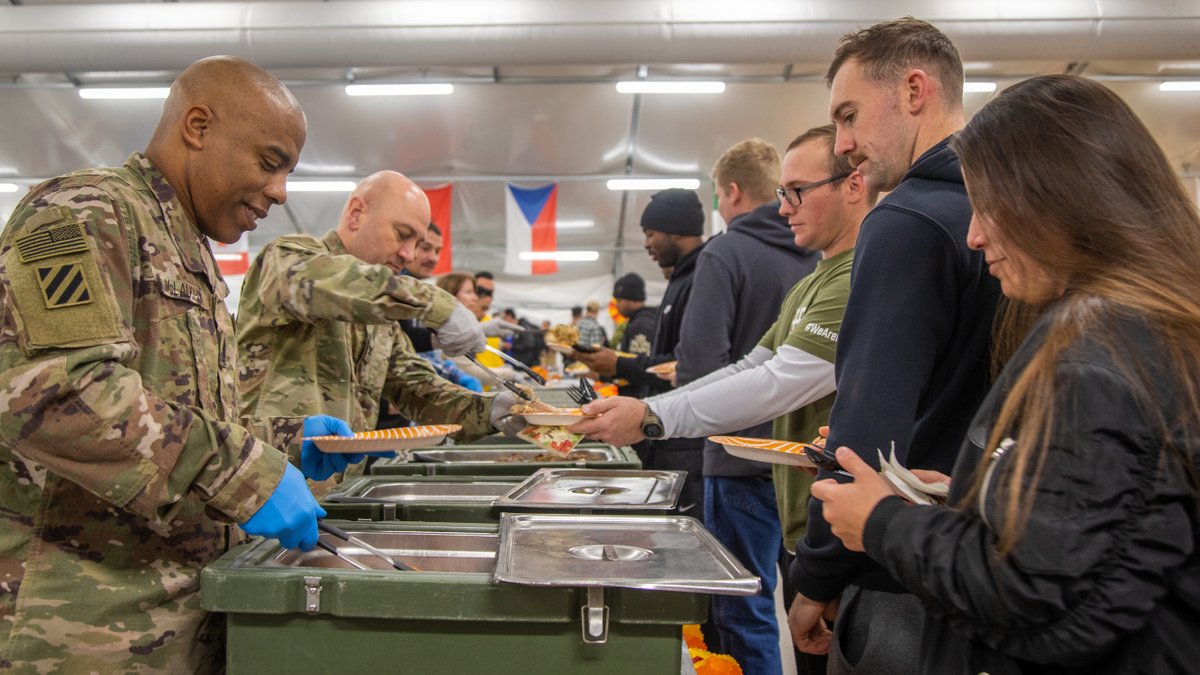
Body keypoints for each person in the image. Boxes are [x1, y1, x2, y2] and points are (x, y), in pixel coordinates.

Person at [815, 74, 1200, 675]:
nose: (974, 234)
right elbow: (1101, 532)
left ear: (1056, 197)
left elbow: (1040, 597)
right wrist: (964, 497)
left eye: (988, 206)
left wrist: (884, 523)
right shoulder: (1141, 330)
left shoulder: (1098, 356)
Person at [0, 56, 365, 672]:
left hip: (180, 622)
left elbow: (177, 412)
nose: (280, 192)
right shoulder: (81, 212)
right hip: (83, 638)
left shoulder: (187, 250)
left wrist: (282, 444)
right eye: (270, 163)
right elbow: (52, 395)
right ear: (197, 126)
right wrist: (243, 472)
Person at [576, 127, 872, 675]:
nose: (783, 209)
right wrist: (647, 414)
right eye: (781, 191)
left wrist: (654, 417)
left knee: (755, 617)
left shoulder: (857, 275)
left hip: (842, 506)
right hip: (801, 499)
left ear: (854, 185)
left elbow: (781, 380)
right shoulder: (811, 278)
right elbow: (748, 366)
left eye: (797, 192)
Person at [786, 18, 1002, 673]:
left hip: (898, 576)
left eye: (849, 117)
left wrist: (818, 573)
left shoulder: (904, 219)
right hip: (989, 553)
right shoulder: (1001, 200)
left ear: (914, 90)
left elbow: (867, 421)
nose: (844, 144)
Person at [236, 172, 523, 481]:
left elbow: (417, 388)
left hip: (338, 493)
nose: (409, 255)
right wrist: (437, 305)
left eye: (418, 243)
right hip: (260, 489)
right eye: (402, 235)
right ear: (357, 213)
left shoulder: (379, 321)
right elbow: (327, 281)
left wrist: (489, 410)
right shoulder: (286, 258)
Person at [573, 188, 707, 513]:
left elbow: (688, 366)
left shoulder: (702, 277)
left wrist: (619, 364)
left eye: (650, 233)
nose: (646, 243)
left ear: (675, 228)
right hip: (667, 436)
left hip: (687, 442)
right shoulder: (682, 278)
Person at [609, 272, 657, 399]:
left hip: (638, 398)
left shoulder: (641, 325)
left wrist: (606, 373)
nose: (617, 305)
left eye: (618, 300)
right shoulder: (640, 320)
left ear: (630, 298)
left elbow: (639, 368)